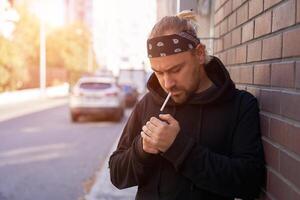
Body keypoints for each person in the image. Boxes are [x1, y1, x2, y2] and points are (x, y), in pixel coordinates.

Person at [109, 10, 265, 200]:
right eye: (158, 72)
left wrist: (177, 147)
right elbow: (117, 175)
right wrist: (142, 149)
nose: (167, 83)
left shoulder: (239, 105)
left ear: (199, 54)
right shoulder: (149, 103)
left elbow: (249, 183)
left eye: (175, 70)